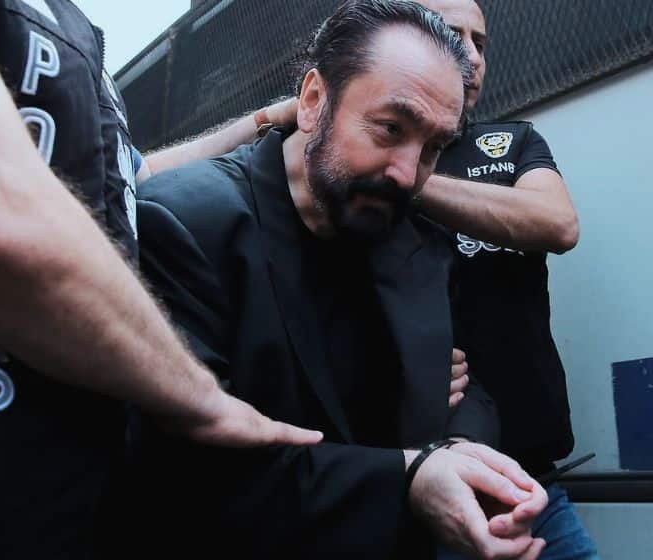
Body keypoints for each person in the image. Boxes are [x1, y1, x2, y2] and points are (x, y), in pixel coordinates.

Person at [0, 1, 320, 556]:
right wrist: (203, 399)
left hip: (48, 476)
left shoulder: (70, 31)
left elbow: (131, 177)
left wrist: (261, 120)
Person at [126, 2, 548, 559]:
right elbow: (185, 471)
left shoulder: (418, 242)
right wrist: (410, 477)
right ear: (312, 100)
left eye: (434, 148)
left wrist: (463, 457)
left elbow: (468, 390)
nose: (408, 174)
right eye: (390, 129)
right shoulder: (185, 224)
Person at [406, 1, 596, 558]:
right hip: (419, 486)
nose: (471, 56)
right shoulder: (355, 164)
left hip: (529, 482)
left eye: (480, 42)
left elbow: (557, 223)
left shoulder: (512, 143)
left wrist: (405, 180)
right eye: (451, 35)